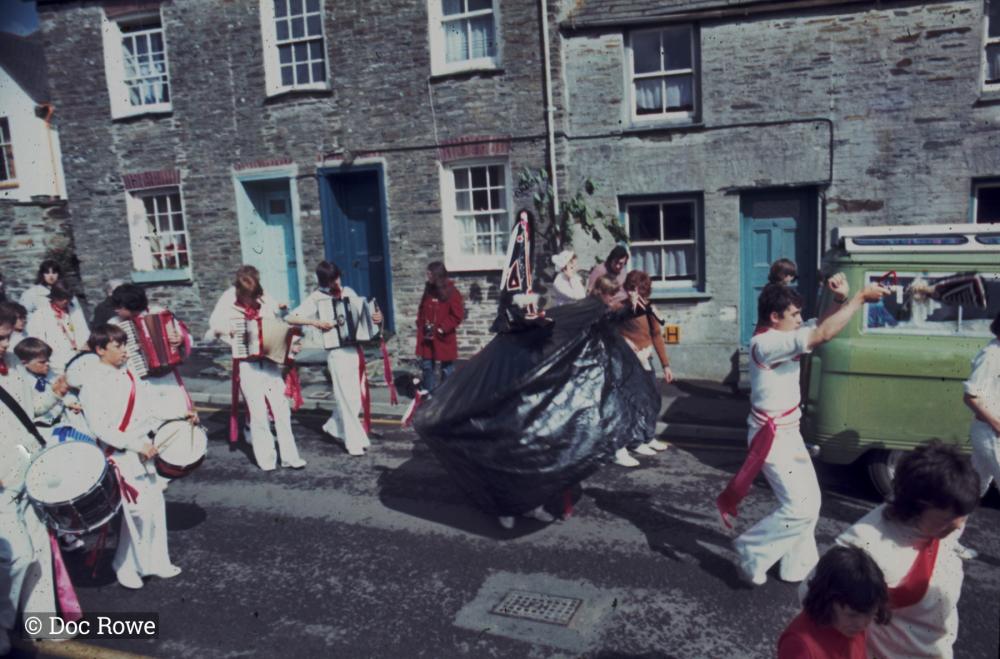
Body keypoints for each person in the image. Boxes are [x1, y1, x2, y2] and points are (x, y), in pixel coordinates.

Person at [718, 275, 890, 586]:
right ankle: (750, 550)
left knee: (810, 502)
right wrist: (859, 299)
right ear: (775, 317)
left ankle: (796, 566)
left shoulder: (783, 334)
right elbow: (822, 334)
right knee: (798, 507)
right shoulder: (765, 343)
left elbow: (817, 328)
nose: (800, 320)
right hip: (770, 437)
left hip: (789, 430)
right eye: (794, 315)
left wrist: (839, 300)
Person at [834, 443, 979, 658]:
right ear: (915, 507)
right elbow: (814, 601)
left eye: (964, 516)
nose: (958, 526)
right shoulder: (866, 546)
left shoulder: (943, 518)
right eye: (947, 520)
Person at [77, 324, 185, 589]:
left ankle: (156, 562)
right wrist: (135, 445)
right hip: (121, 455)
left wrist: (179, 415)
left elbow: (150, 408)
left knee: (155, 508)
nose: (126, 351)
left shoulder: (130, 375)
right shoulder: (91, 384)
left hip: (143, 451)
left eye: (126, 344)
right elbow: (101, 427)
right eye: (119, 346)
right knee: (136, 513)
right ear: (100, 350)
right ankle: (125, 566)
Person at [0, 308, 64, 651]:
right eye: (0, 338)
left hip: (27, 466)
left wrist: (55, 392)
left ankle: (40, 622)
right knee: (18, 556)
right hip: (1, 484)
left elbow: (30, 412)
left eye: (7, 336)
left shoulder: (11, 363)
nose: (6, 344)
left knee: (39, 551)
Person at [208, 265, 305, 471]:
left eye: (254, 296)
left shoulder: (264, 297)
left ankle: (290, 457)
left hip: (269, 362)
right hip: (247, 365)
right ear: (239, 292)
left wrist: (289, 340)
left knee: (281, 410)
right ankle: (266, 459)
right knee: (258, 414)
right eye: (248, 297)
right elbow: (213, 328)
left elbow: (278, 321)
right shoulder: (227, 299)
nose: (252, 300)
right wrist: (229, 333)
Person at [287, 261, 383, 457]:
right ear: (325, 280)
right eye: (333, 279)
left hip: (355, 350)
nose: (337, 282)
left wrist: (376, 319)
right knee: (345, 398)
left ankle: (333, 426)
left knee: (356, 398)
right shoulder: (316, 298)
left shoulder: (349, 292)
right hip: (337, 353)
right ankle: (353, 441)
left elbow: (365, 319)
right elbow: (291, 317)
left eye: (338, 277)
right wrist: (315, 322)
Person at [779, 545, 890, 659]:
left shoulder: (850, 625)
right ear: (827, 600)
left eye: (870, 614)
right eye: (852, 615)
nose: (861, 625)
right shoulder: (800, 645)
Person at [611, 270, 673, 468]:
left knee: (652, 398)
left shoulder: (649, 309)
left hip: (647, 359)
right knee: (634, 401)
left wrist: (666, 365)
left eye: (639, 291)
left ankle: (648, 436)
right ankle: (636, 441)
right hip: (629, 361)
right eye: (631, 290)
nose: (635, 294)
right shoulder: (620, 309)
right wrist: (628, 344)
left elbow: (656, 335)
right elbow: (613, 332)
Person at [109, 283, 193, 421]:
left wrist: (180, 339)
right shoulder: (114, 324)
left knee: (177, 415)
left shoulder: (160, 314)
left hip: (168, 377)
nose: (115, 309)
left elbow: (186, 336)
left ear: (131, 306)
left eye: (119, 306)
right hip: (139, 379)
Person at [955, 310, 1000, 561]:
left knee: (973, 488)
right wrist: (997, 424)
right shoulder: (991, 356)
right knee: (973, 487)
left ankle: (947, 539)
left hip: (992, 432)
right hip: (991, 434)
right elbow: (971, 396)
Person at [415, 261, 464, 391]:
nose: (427, 276)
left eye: (429, 274)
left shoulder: (452, 292)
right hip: (427, 336)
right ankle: (428, 393)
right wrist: (420, 323)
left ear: (437, 275)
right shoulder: (428, 290)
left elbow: (457, 315)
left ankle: (446, 394)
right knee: (426, 365)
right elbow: (422, 309)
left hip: (443, 336)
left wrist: (442, 328)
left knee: (447, 368)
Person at [25, 283, 90, 374]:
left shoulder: (75, 310)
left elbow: (84, 332)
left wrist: (85, 345)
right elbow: (37, 342)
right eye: (62, 298)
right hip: (56, 365)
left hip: (80, 359)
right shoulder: (40, 315)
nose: (65, 301)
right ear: (54, 298)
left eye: (68, 298)